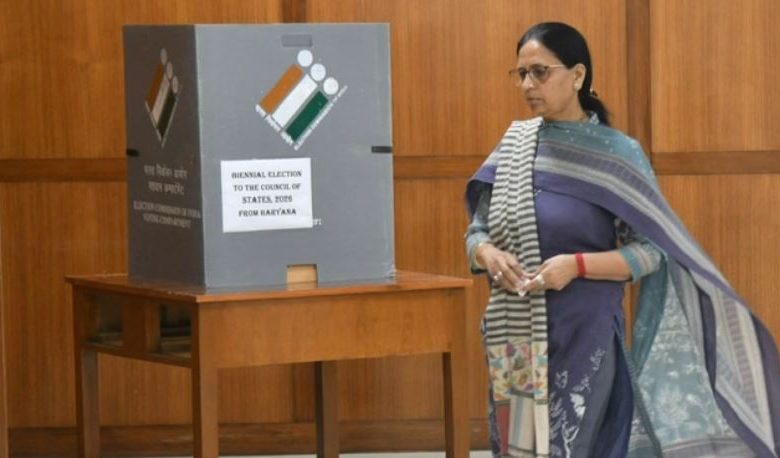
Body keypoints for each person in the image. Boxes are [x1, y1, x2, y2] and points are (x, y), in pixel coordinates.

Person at [465, 22, 779, 458]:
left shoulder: (616, 154)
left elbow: (650, 252)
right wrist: (487, 254)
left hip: (585, 332)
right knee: (518, 448)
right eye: (521, 74)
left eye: (540, 72)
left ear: (577, 75)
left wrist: (575, 266)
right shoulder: (515, 146)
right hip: (514, 331)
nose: (527, 85)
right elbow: (476, 232)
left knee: (571, 446)